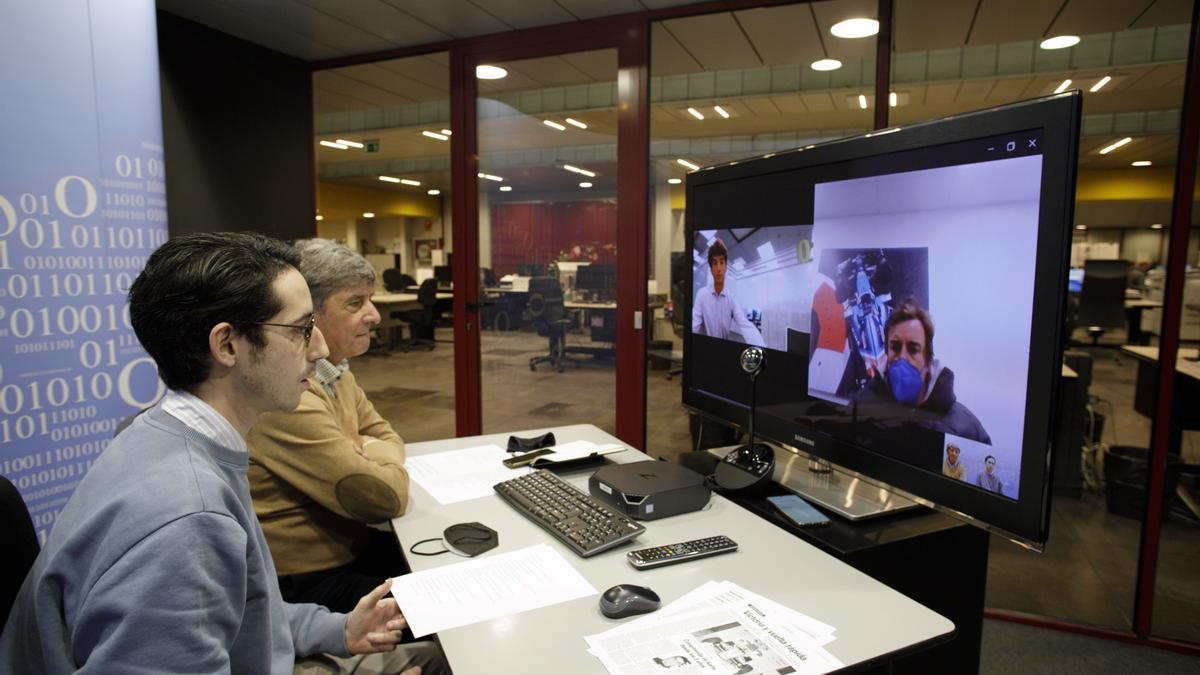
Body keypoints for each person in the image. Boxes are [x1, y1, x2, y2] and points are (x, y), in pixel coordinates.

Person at [0, 232, 441, 674]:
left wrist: (338, 630)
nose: (320, 348)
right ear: (227, 345)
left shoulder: (166, 437)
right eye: (302, 330)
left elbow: (244, 610)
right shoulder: (188, 518)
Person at [248, 239, 411, 613]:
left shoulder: (335, 372)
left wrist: (367, 448)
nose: (374, 315)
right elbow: (383, 497)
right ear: (310, 316)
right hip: (304, 582)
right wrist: (370, 452)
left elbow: (386, 434)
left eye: (371, 299)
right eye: (355, 303)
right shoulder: (288, 396)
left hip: (349, 549)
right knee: (446, 609)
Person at [852, 297, 991, 444]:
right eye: (895, 347)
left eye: (913, 349)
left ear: (928, 360)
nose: (902, 357)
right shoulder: (860, 408)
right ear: (886, 352)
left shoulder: (966, 431)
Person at [692, 238, 765, 346]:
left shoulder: (731, 299)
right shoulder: (701, 295)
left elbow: (745, 325)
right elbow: (694, 325)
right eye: (714, 263)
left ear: (726, 267)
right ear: (711, 268)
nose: (718, 268)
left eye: (722, 262)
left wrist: (763, 349)